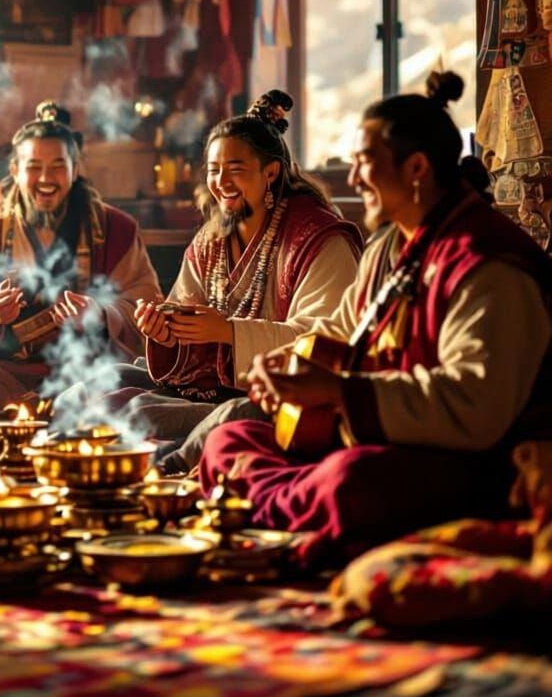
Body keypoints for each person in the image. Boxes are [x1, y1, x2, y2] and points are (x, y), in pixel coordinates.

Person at [200, 72, 552, 566]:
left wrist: (341, 392)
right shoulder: (389, 245)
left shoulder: (488, 265)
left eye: (365, 163)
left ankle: (277, 510)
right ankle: (298, 513)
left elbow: (476, 408)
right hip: (365, 439)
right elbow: (339, 332)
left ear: (416, 168)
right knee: (228, 439)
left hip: (466, 464)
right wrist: (284, 366)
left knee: (352, 483)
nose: (353, 178)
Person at [113, 90, 362, 459]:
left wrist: (229, 332)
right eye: (214, 170)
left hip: (282, 397)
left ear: (271, 172)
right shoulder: (211, 240)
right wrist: (166, 332)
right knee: (111, 384)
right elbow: (186, 312)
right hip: (210, 385)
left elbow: (327, 342)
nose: (221, 181)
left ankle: (164, 473)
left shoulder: (318, 240)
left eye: (236, 169)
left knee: (141, 412)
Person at [0, 101, 161, 409]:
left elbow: (145, 306)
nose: (46, 178)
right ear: (14, 170)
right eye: (33, 167)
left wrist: (100, 314)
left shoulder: (115, 229)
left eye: (57, 166)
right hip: (4, 375)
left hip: (89, 376)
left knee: (127, 386)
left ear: (75, 169)